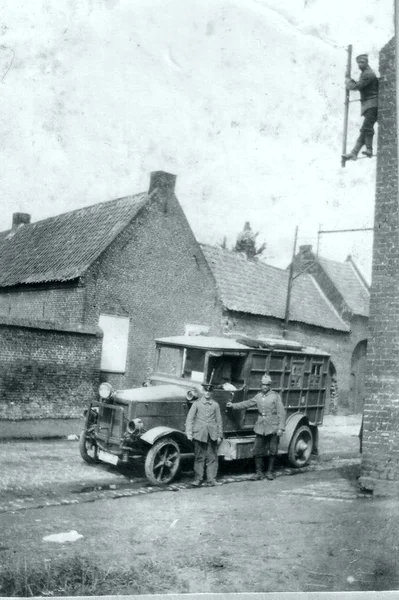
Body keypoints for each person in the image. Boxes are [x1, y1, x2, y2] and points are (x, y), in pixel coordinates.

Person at [226, 374, 286, 480]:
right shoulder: (258, 396)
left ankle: (269, 472)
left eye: (267, 385)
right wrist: (233, 406)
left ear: (270, 386)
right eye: (263, 385)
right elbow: (247, 403)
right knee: (257, 450)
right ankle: (259, 473)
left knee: (273, 450)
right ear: (261, 385)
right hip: (260, 427)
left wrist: (281, 428)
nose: (265, 387)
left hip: (272, 426)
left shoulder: (275, 396)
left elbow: (281, 412)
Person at [185, 383, 223, 487]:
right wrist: (189, 433)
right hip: (199, 435)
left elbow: (219, 421)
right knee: (199, 457)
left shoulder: (215, 405)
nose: (207, 393)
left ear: (212, 392)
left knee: (212, 458)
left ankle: (211, 479)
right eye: (205, 391)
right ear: (203, 391)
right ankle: (198, 479)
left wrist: (219, 435)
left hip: (212, 435)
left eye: (209, 391)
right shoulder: (196, 404)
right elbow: (190, 419)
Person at [342, 54, 378, 161]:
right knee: (364, 130)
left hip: (373, 104)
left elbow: (356, 86)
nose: (360, 65)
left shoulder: (368, 74)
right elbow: (359, 84)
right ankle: (354, 153)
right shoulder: (365, 73)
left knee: (366, 128)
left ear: (367, 62)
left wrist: (348, 81)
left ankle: (369, 150)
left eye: (362, 62)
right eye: (358, 63)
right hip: (369, 105)